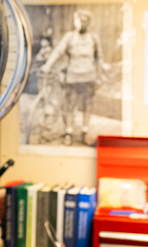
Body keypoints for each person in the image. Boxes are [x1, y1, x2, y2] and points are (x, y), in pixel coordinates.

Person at [37, 11, 108, 146]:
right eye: (79, 20)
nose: (82, 23)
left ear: (88, 23)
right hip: (73, 77)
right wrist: (47, 65)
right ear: (76, 22)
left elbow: (99, 58)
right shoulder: (69, 37)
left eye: (85, 21)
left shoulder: (93, 38)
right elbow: (58, 51)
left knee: (88, 105)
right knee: (70, 105)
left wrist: (100, 75)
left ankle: (84, 132)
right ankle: (68, 132)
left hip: (89, 77)